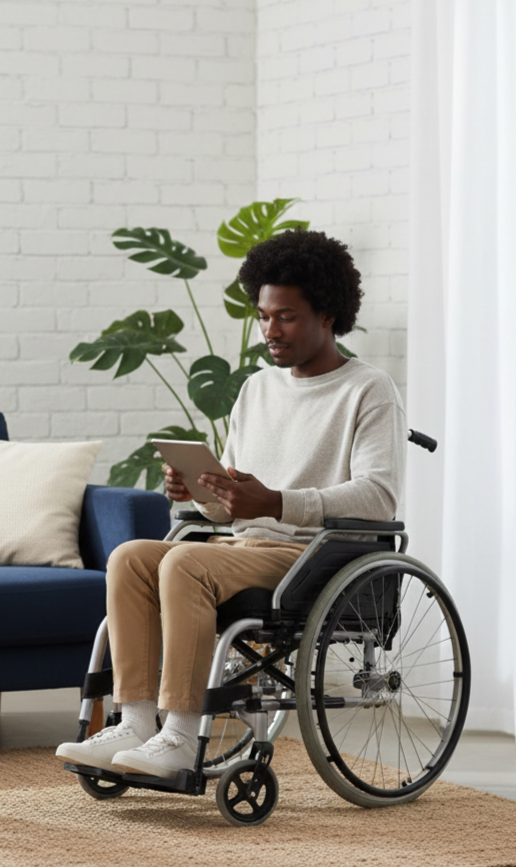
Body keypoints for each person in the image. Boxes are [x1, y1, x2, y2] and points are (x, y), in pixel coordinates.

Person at [56, 228, 407, 778]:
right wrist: (202, 491)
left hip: (312, 555)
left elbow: (378, 496)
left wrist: (275, 500)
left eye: (286, 317)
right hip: (241, 547)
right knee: (130, 557)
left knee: (186, 562)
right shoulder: (256, 389)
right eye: (265, 315)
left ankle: (179, 731)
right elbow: (228, 510)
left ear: (329, 316)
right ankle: (137, 721)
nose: (270, 329)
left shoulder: (368, 389)